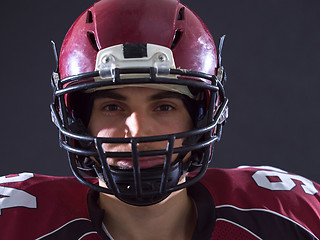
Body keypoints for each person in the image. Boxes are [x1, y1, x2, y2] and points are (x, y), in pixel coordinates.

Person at [0, 0, 319, 239]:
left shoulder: (283, 216)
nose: (138, 131)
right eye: (113, 107)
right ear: (78, 121)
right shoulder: (16, 221)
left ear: (200, 117)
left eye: (164, 106)